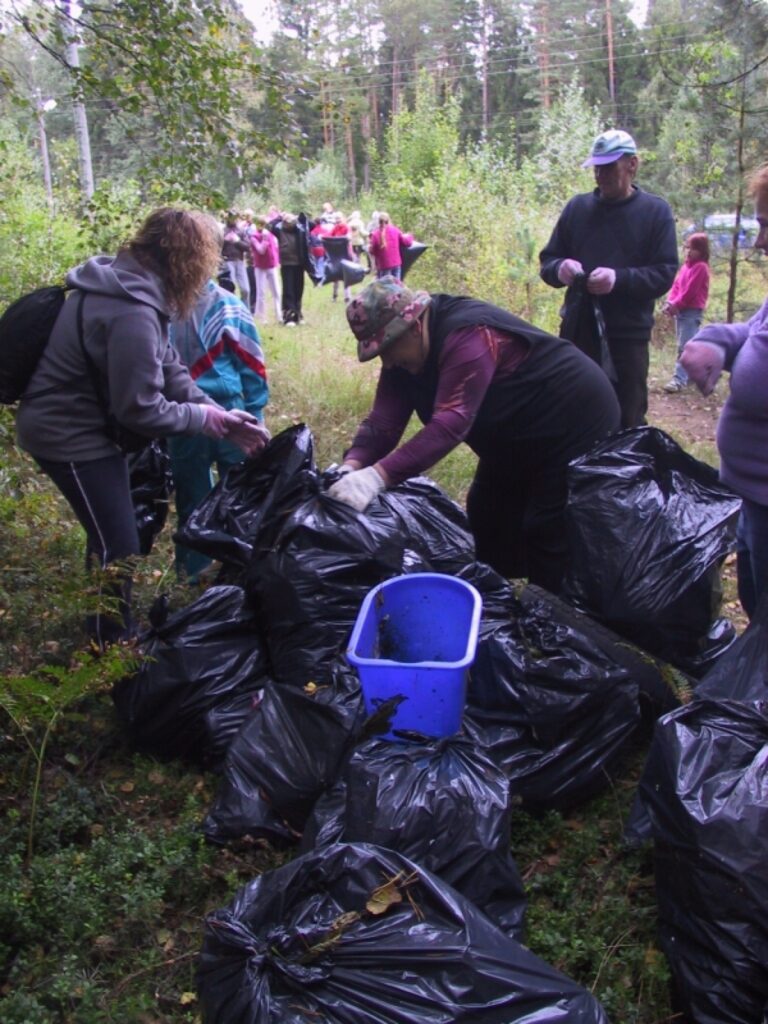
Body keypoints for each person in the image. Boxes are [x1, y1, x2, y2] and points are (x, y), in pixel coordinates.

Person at [15, 208, 268, 647]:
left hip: (87, 430)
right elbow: (140, 409)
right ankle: (110, 646)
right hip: (67, 435)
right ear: (188, 257)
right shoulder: (130, 308)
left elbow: (169, 370)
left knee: (113, 535)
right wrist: (208, 420)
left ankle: (110, 635)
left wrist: (220, 416)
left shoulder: (135, 289)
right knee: (120, 544)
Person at [327, 277, 620, 594]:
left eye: (387, 348)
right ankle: (495, 598)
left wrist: (377, 477)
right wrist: (353, 465)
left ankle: (551, 615)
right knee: (486, 514)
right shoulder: (404, 352)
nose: (387, 361)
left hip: (573, 415)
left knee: (547, 526)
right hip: (513, 432)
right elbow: (384, 421)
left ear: (412, 326)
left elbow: (450, 424)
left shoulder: (467, 335)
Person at [539, 129, 678, 428]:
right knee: (573, 410)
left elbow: (664, 273)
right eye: (596, 168)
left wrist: (619, 279)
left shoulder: (655, 212)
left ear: (632, 165)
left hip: (627, 337)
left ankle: (624, 474)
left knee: (627, 415)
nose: (600, 175)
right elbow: (547, 261)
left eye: (608, 167)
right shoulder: (577, 208)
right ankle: (575, 472)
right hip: (578, 332)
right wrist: (560, 268)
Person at [680, 165, 768, 619]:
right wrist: (715, 340)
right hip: (752, 492)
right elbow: (753, 333)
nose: (759, 243)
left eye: (767, 226)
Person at [168, 277, 269, 583]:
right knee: (192, 495)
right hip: (186, 417)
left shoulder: (226, 305)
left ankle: (238, 568)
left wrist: (255, 411)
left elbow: (250, 358)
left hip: (230, 412)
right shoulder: (164, 303)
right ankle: (193, 570)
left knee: (239, 491)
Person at [662, 232, 711, 392]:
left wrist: (676, 304)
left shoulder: (701, 268)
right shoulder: (685, 267)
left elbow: (691, 291)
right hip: (681, 311)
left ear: (702, 251)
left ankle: (679, 380)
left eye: (694, 249)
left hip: (691, 311)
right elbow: (677, 287)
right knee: (687, 344)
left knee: (685, 347)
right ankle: (699, 374)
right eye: (688, 248)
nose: (690, 252)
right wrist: (671, 302)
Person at [270, 211, 317, 325]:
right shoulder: (279, 230)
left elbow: (312, 224)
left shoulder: (301, 230)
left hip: (299, 264)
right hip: (287, 264)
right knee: (288, 291)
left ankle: (298, 314)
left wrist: (300, 217)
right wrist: (280, 216)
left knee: (298, 290)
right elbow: (270, 225)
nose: (289, 223)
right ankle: (289, 317)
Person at [250, 215, 282, 325]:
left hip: (272, 266)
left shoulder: (271, 235)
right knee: (261, 293)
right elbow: (261, 250)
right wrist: (264, 239)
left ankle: (279, 316)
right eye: (261, 224)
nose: (263, 227)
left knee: (277, 292)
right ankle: (262, 318)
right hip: (260, 268)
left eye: (265, 224)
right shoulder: (254, 237)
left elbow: (276, 248)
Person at [368, 212, 414, 280]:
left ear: (378, 222)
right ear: (389, 220)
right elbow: (406, 242)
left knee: (385, 288)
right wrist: (410, 236)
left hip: (383, 265)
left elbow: (373, 252)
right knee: (396, 287)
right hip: (396, 264)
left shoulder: (375, 234)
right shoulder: (395, 230)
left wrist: (370, 248)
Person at [221, 210, 251, 309]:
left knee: (245, 289)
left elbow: (247, 247)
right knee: (230, 288)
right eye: (231, 217)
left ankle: (245, 310)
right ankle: (232, 309)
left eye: (234, 217)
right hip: (228, 261)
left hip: (239, 261)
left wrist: (237, 241)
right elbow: (217, 247)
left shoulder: (241, 231)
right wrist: (225, 240)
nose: (233, 220)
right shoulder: (223, 231)